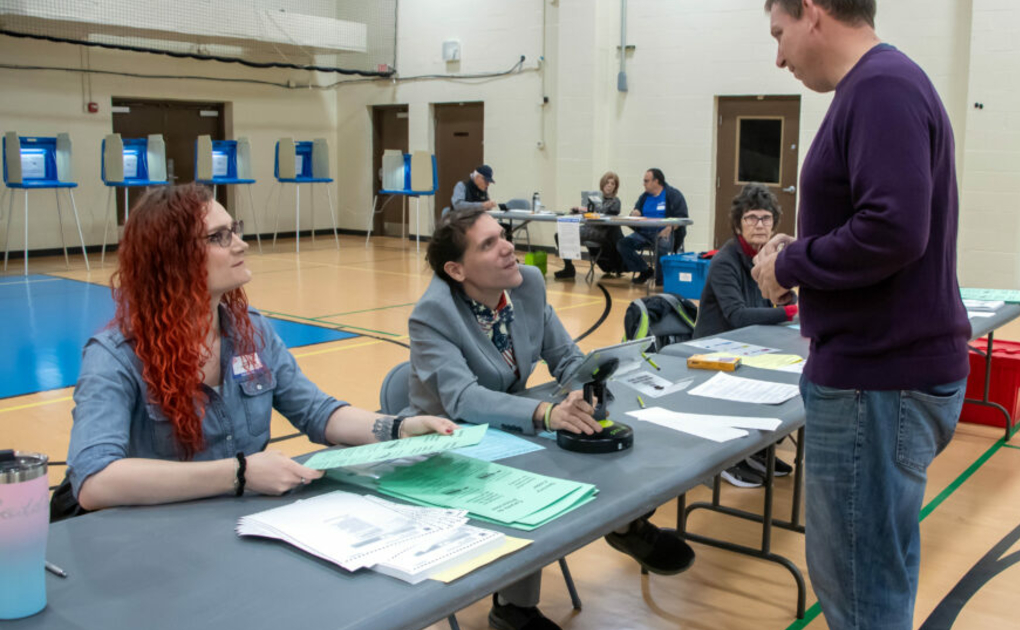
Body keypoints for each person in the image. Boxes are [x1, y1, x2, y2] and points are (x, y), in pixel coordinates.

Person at [752, 2, 971, 628]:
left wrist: (792, 267)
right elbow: (878, 222)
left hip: (876, 381)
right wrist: (799, 249)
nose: (779, 56)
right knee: (873, 572)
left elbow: (894, 230)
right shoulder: (881, 86)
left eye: (779, 33)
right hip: (881, 378)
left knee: (858, 590)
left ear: (813, 12)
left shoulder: (879, 88)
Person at [65, 184, 457, 513]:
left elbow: (317, 412)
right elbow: (95, 481)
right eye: (219, 237)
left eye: (234, 230)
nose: (241, 245)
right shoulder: (115, 355)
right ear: (171, 259)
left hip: (243, 521)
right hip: (161, 540)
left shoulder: (250, 329)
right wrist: (239, 473)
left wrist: (399, 428)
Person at [405, 207, 696, 630]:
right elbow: (463, 399)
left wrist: (579, 384)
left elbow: (563, 356)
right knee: (535, 474)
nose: (508, 248)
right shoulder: (433, 313)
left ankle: (627, 525)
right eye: (488, 245)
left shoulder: (528, 286)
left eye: (502, 236)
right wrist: (544, 412)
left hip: (509, 427)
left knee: (594, 431)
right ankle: (513, 610)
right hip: (450, 438)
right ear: (456, 269)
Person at [694, 183, 798, 488]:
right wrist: (791, 312)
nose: (759, 225)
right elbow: (737, 316)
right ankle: (728, 457)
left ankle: (757, 449)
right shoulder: (725, 260)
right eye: (752, 218)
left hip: (751, 345)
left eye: (766, 218)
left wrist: (787, 300)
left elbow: (778, 300)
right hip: (714, 350)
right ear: (739, 222)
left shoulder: (769, 258)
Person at [617, 168, 688, 285]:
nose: (643, 184)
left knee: (663, 244)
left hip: (664, 233)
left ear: (656, 181)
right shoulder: (644, 197)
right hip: (643, 234)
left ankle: (660, 281)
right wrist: (634, 213)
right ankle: (645, 270)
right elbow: (635, 212)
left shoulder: (673, 195)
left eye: (646, 181)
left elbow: (682, 217)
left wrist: (670, 227)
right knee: (623, 244)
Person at [554, 171, 624, 280]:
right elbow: (591, 213)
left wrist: (586, 209)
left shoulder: (616, 201)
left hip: (601, 232)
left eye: (612, 184)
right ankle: (568, 267)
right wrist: (579, 211)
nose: (609, 185)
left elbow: (603, 211)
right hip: (589, 228)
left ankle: (569, 268)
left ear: (616, 187)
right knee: (560, 234)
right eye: (607, 183)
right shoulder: (596, 199)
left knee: (564, 234)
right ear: (602, 184)